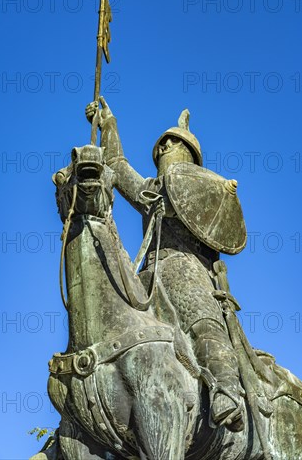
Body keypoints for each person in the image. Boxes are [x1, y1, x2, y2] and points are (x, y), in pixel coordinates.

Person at [86, 99, 245, 431]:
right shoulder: (151, 192)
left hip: (188, 271)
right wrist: (109, 125)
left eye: (173, 142)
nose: (165, 146)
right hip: (147, 277)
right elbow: (117, 167)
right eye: (163, 143)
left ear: (188, 152)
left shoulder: (204, 191)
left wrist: (174, 196)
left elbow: (209, 223)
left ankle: (227, 392)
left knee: (204, 326)